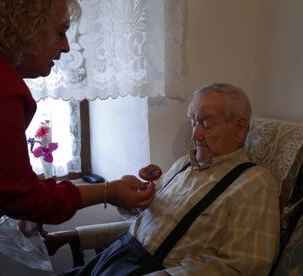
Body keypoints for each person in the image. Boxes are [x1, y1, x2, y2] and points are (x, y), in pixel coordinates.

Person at [0, 1, 155, 275]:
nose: (67, 47)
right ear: (27, 29)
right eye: (61, 32)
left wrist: (11, 199)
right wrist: (109, 191)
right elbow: (23, 198)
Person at [47, 83, 281, 276]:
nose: (195, 135)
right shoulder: (183, 165)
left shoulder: (255, 183)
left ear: (240, 129)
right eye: (193, 122)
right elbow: (143, 223)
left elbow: (243, 267)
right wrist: (131, 199)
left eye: (207, 125)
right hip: (114, 257)